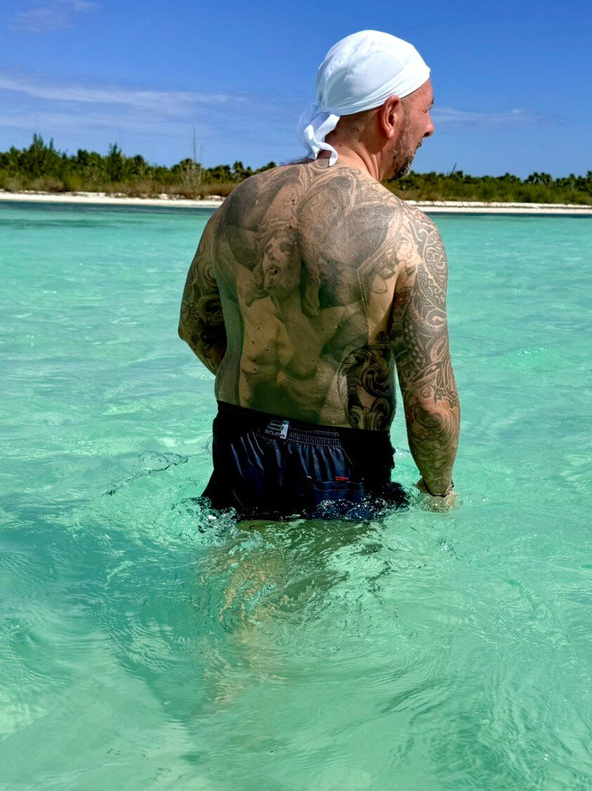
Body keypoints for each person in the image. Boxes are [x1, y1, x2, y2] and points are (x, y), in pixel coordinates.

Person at [178, 30, 459, 519]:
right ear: (391, 115)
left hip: (238, 443)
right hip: (340, 465)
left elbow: (195, 326)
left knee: (240, 584)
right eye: (426, 108)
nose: (430, 127)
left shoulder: (240, 201)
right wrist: (439, 491)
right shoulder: (408, 232)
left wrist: (269, 389)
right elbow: (431, 408)